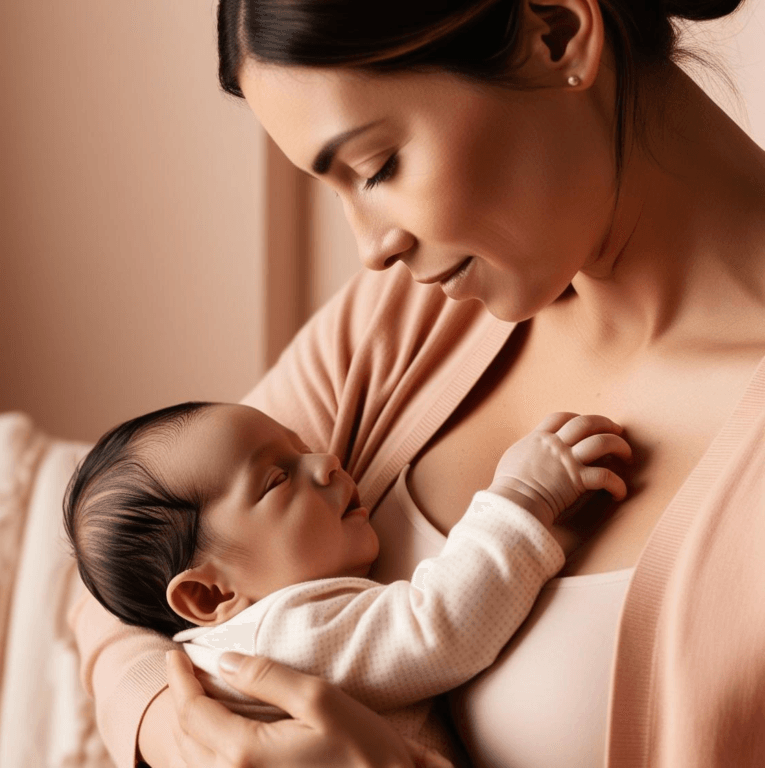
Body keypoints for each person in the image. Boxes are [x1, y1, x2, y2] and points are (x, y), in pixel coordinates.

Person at [67, 0, 765, 766]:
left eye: (377, 167)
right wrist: (189, 730)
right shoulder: (409, 316)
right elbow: (118, 573)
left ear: (556, 34)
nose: (370, 248)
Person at [64, 400, 631, 766]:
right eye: (277, 478)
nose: (328, 460)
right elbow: (437, 627)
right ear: (209, 594)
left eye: (301, 445)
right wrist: (521, 500)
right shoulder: (276, 637)